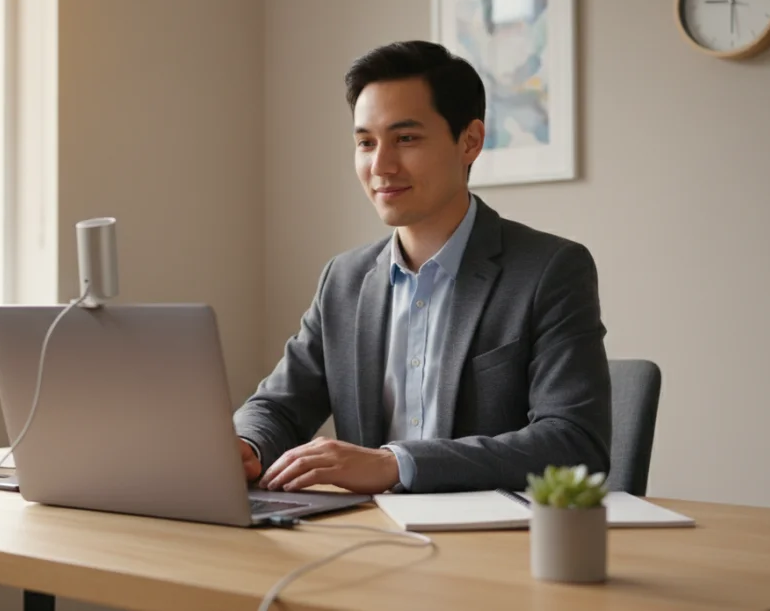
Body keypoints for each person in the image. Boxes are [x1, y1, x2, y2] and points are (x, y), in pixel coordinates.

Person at [233, 40, 611, 495]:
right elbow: (278, 406)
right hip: (365, 540)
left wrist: (396, 464)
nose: (381, 165)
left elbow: (573, 440)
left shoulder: (550, 270)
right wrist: (247, 447)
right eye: (365, 143)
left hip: (497, 547)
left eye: (406, 139)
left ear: (469, 141)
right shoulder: (344, 280)